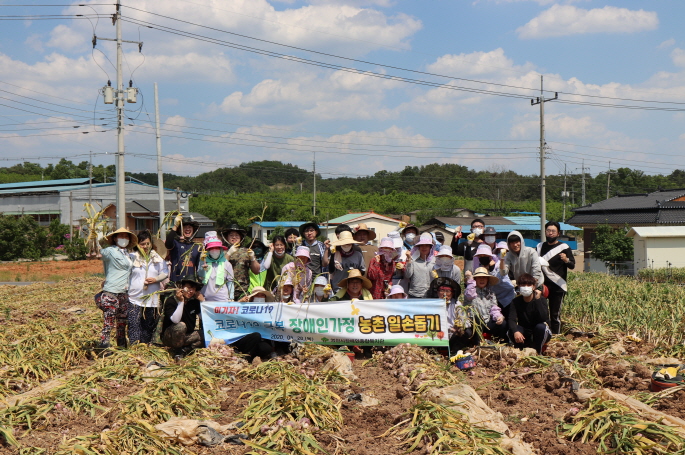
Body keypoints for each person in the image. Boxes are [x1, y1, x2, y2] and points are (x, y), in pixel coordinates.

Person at [99, 227, 137, 350]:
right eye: (121, 236)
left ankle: (121, 348)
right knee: (109, 323)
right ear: (115, 238)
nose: (123, 239)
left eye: (126, 237)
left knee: (122, 323)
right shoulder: (110, 251)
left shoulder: (129, 255)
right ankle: (104, 348)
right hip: (112, 292)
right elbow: (98, 253)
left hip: (124, 292)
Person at [127, 230, 168, 345]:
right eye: (142, 244)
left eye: (147, 243)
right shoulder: (132, 258)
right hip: (134, 298)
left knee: (147, 325)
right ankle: (134, 347)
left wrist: (156, 279)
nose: (145, 246)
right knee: (134, 323)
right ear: (137, 245)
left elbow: (165, 272)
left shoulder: (157, 259)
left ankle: (145, 346)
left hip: (151, 299)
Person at [453, 267, 508, 349]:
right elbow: (470, 295)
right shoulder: (470, 290)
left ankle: (501, 344)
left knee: (503, 323)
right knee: (477, 318)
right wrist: (471, 281)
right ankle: (477, 345)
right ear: (475, 279)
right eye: (479, 277)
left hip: (487, 322)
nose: (482, 280)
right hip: (473, 323)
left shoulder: (490, 293)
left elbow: (493, 307)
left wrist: (498, 316)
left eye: (484, 277)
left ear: (487, 280)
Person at [537, 221, 575, 334]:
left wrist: (566, 260)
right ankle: (544, 334)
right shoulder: (539, 246)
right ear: (545, 232)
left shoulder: (564, 247)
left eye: (553, 231)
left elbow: (572, 265)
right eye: (548, 231)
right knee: (542, 313)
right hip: (542, 285)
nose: (550, 233)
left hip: (558, 285)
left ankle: (556, 336)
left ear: (558, 233)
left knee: (555, 314)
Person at [161, 276, 206, 358]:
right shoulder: (171, 300)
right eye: (189, 288)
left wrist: (203, 302)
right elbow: (175, 320)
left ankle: (184, 350)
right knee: (181, 325)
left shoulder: (194, 302)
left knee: (204, 334)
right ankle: (177, 352)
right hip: (171, 337)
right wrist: (181, 302)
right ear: (181, 288)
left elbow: (205, 318)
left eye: (194, 289)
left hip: (185, 337)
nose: (191, 291)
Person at [508, 273, 552, 354]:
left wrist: (537, 300)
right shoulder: (516, 301)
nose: (526, 287)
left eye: (529, 285)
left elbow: (544, 318)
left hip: (539, 331)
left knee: (541, 327)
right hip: (525, 331)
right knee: (512, 330)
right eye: (523, 285)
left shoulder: (541, 300)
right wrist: (515, 331)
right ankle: (520, 350)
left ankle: (538, 351)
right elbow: (511, 319)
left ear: (534, 287)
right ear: (519, 286)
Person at [222, 224, 261, 301]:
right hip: (225, 289)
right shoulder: (221, 252)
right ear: (227, 237)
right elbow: (220, 268)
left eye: (237, 235)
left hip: (243, 290)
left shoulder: (247, 251)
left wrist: (253, 258)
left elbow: (257, 271)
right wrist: (228, 254)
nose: (234, 237)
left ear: (241, 237)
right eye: (231, 235)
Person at [472, 243, 516, 312]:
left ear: (490, 256)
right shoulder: (479, 267)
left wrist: (492, 269)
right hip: (493, 298)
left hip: (506, 296)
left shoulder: (498, 264)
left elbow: (498, 280)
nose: (483, 257)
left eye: (485, 255)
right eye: (480, 256)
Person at [428, 277, 463, 352]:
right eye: (442, 290)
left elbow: (464, 320)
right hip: (438, 333)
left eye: (448, 291)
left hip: (453, 334)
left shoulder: (457, 304)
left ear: (452, 293)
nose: (444, 294)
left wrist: (460, 325)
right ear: (437, 292)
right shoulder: (432, 305)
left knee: (466, 332)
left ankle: (454, 351)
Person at [198, 231, 234, 302]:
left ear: (220, 250)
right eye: (211, 249)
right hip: (205, 297)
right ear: (208, 250)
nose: (214, 251)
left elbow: (230, 281)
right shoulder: (204, 261)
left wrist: (231, 297)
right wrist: (202, 262)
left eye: (217, 248)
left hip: (222, 298)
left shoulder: (226, 263)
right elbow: (201, 276)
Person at [165, 215, 202, 285]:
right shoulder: (175, 244)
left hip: (191, 284)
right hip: (176, 283)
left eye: (189, 227)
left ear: (193, 230)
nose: (187, 229)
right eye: (185, 227)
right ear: (180, 229)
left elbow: (198, 268)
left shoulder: (197, 246)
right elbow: (168, 243)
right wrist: (175, 226)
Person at [405, 233, 435, 298]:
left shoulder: (435, 261)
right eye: (422, 245)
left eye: (427, 245)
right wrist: (409, 260)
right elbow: (408, 275)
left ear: (430, 247)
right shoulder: (413, 260)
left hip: (430, 295)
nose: (424, 247)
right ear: (418, 247)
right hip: (415, 295)